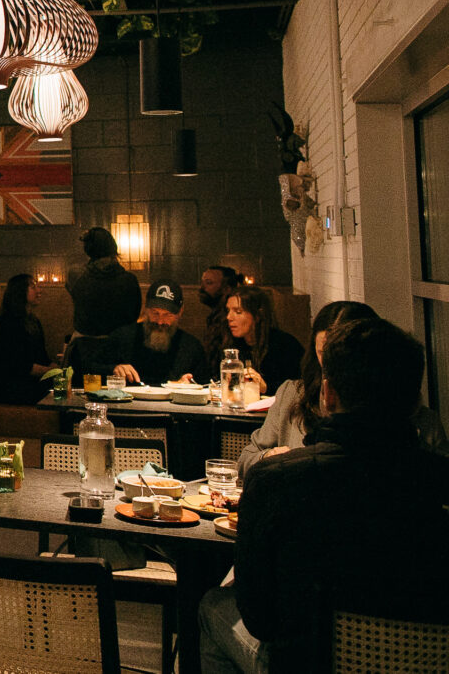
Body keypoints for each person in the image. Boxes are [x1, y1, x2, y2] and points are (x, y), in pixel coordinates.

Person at [198, 315, 449, 673]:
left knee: (212, 606)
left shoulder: (278, 481)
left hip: (308, 662)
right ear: (413, 402)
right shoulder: (438, 481)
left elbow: (260, 618)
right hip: (428, 662)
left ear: (328, 394)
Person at [238, 301, 448, 475]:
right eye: (323, 353)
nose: (330, 365)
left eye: (340, 354)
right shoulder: (294, 395)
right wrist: (268, 457)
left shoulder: (416, 416)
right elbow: (247, 457)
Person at [184, 285, 303, 394]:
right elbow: (212, 380)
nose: (229, 317)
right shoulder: (227, 344)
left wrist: (265, 387)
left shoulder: (285, 346)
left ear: (257, 316)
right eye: (228, 311)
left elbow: (299, 389)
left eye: (238, 312)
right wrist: (192, 384)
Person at [99, 279, 209, 387]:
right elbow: (91, 370)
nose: (160, 321)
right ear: (146, 309)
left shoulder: (191, 347)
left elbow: (205, 386)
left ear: (180, 312)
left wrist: (189, 386)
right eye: (155, 313)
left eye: (167, 315)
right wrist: (114, 368)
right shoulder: (122, 337)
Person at [0, 274, 52, 404]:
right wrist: (52, 371)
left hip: (28, 381)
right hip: (12, 387)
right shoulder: (8, 323)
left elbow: (42, 357)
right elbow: (19, 366)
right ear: (20, 292)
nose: (40, 291)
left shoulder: (33, 321)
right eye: (33, 287)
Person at [67, 226, 141, 336]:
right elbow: (134, 315)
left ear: (88, 250)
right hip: (121, 345)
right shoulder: (129, 280)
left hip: (85, 346)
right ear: (113, 247)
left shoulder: (76, 277)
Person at [199, 264, 242, 361]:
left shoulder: (228, 320)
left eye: (209, 283)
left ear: (227, 289)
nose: (202, 288)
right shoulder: (214, 317)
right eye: (202, 283)